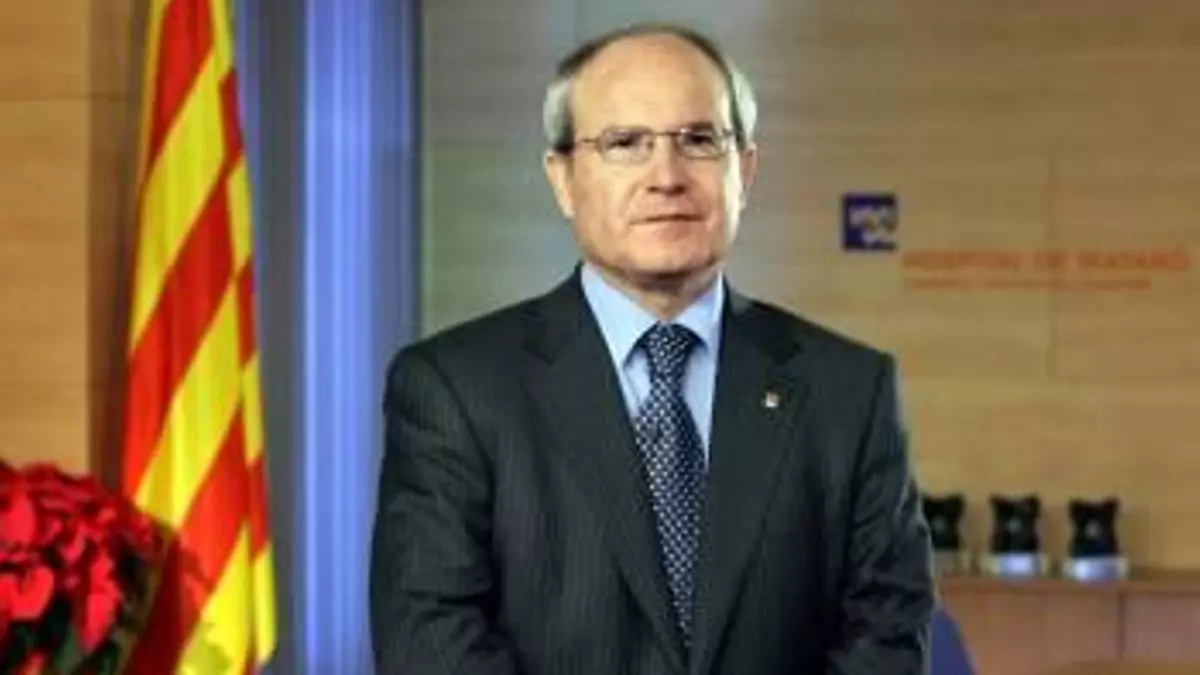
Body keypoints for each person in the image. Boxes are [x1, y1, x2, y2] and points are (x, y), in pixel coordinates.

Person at [370, 22, 934, 675]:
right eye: (625, 143)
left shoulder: (850, 392)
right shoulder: (455, 388)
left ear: (745, 171)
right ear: (562, 178)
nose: (666, 176)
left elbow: (886, 634)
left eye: (699, 140)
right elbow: (430, 642)